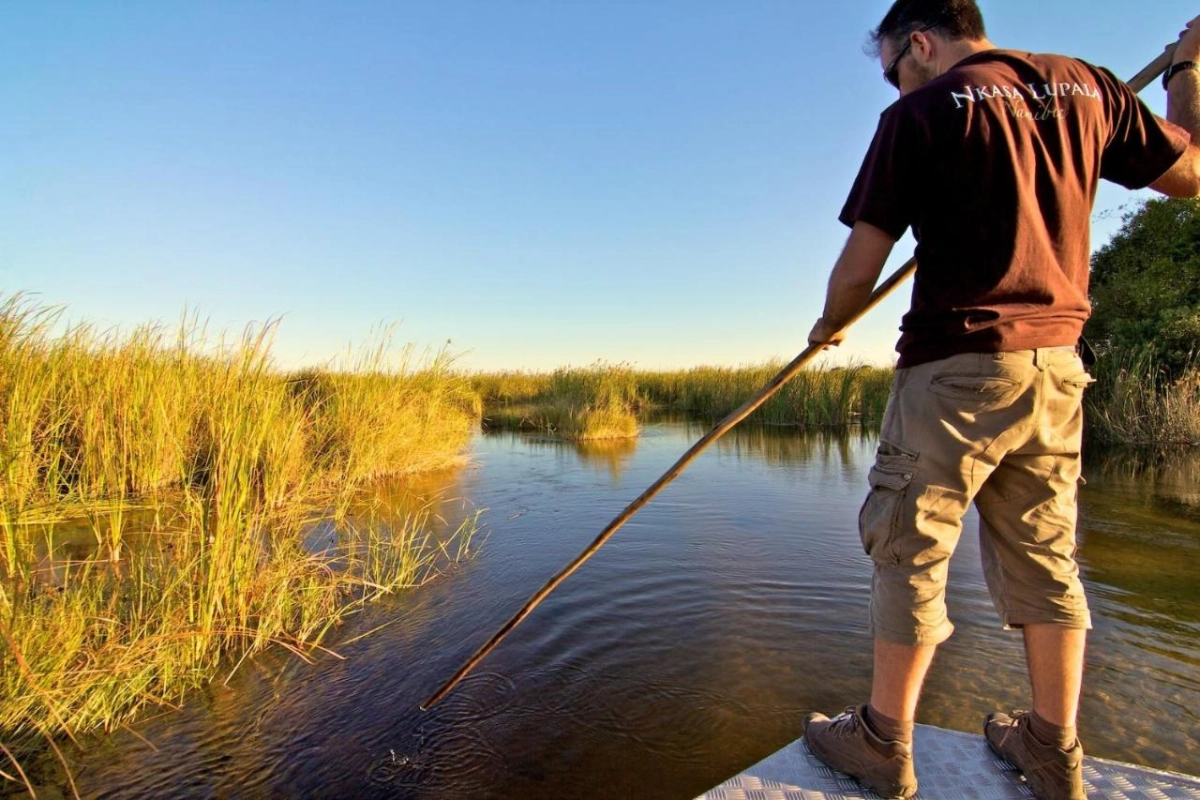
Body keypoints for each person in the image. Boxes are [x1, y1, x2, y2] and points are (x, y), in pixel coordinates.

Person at [800, 2, 1200, 799]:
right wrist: (1187, 72)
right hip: (1055, 369)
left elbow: (859, 265)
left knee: (908, 548)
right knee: (1049, 557)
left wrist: (830, 326)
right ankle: (1052, 748)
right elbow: (1190, 175)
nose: (892, 83)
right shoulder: (1089, 87)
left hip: (953, 367)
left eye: (891, 67)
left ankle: (882, 741)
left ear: (920, 43)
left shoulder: (916, 115)